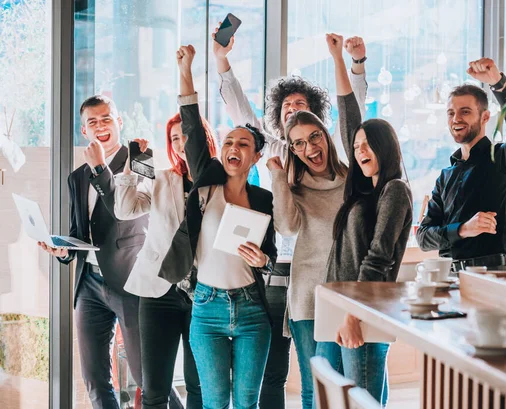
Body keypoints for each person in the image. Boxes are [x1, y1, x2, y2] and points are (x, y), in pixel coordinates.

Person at [213, 27, 368, 409]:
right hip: (277, 272)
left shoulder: (325, 149)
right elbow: (240, 110)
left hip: (324, 277)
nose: (295, 113)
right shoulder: (278, 150)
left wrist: (355, 65)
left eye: (302, 107)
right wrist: (221, 61)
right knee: (275, 370)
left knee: (336, 380)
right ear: (279, 119)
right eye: (288, 109)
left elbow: (354, 113)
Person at [160, 43, 277, 409]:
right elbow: (193, 129)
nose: (234, 147)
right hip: (207, 307)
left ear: (255, 156)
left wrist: (263, 260)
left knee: (246, 403)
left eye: (243, 143)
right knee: (214, 402)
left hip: (251, 309)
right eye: (229, 141)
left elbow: (269, 256)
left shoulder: (263, 200)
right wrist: (186, 70)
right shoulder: (206, 185)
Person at [312, 33, 413, 405]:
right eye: (355, 147)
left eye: (368, 145)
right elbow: (349, 118)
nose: (359, 151)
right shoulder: (363, 192)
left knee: (362, 402)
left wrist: (354, 316)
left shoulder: (395, 191)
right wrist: (337, 58)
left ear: (385, 147)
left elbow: (378, 258)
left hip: (362, 310)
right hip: (341, 307)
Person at [38, 95, 146, 409]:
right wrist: (62, 250)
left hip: (130, 280)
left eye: (106, 119)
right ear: (84, 131)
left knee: (148, 378)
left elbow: (123, 211)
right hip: (89, 284)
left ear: (119, 122)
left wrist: (100, 166)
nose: (101, 126)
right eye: (93, 122)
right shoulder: (77, 176)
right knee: (95, 378)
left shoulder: (140, 158)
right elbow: (78, 235)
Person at [113, 112, 217, 409]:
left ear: (202, 137)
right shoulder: (161, 178)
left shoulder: (221, 182)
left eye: (186, 135)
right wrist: (135, 164)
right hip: (159, 291)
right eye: (174, 138)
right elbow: (126, 209)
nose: (181, 143)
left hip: (206, 294)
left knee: (200, 386)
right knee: (154, 389)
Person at [416, 58, 506, 272]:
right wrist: (462, 229)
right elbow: (423, 237)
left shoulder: (502, 159)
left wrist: (498, 83)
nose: (456, 119)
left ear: (485, 117)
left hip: (490, 276)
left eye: (465, 112)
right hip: (447, 277)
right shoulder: (445, 176)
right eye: (451, 113)